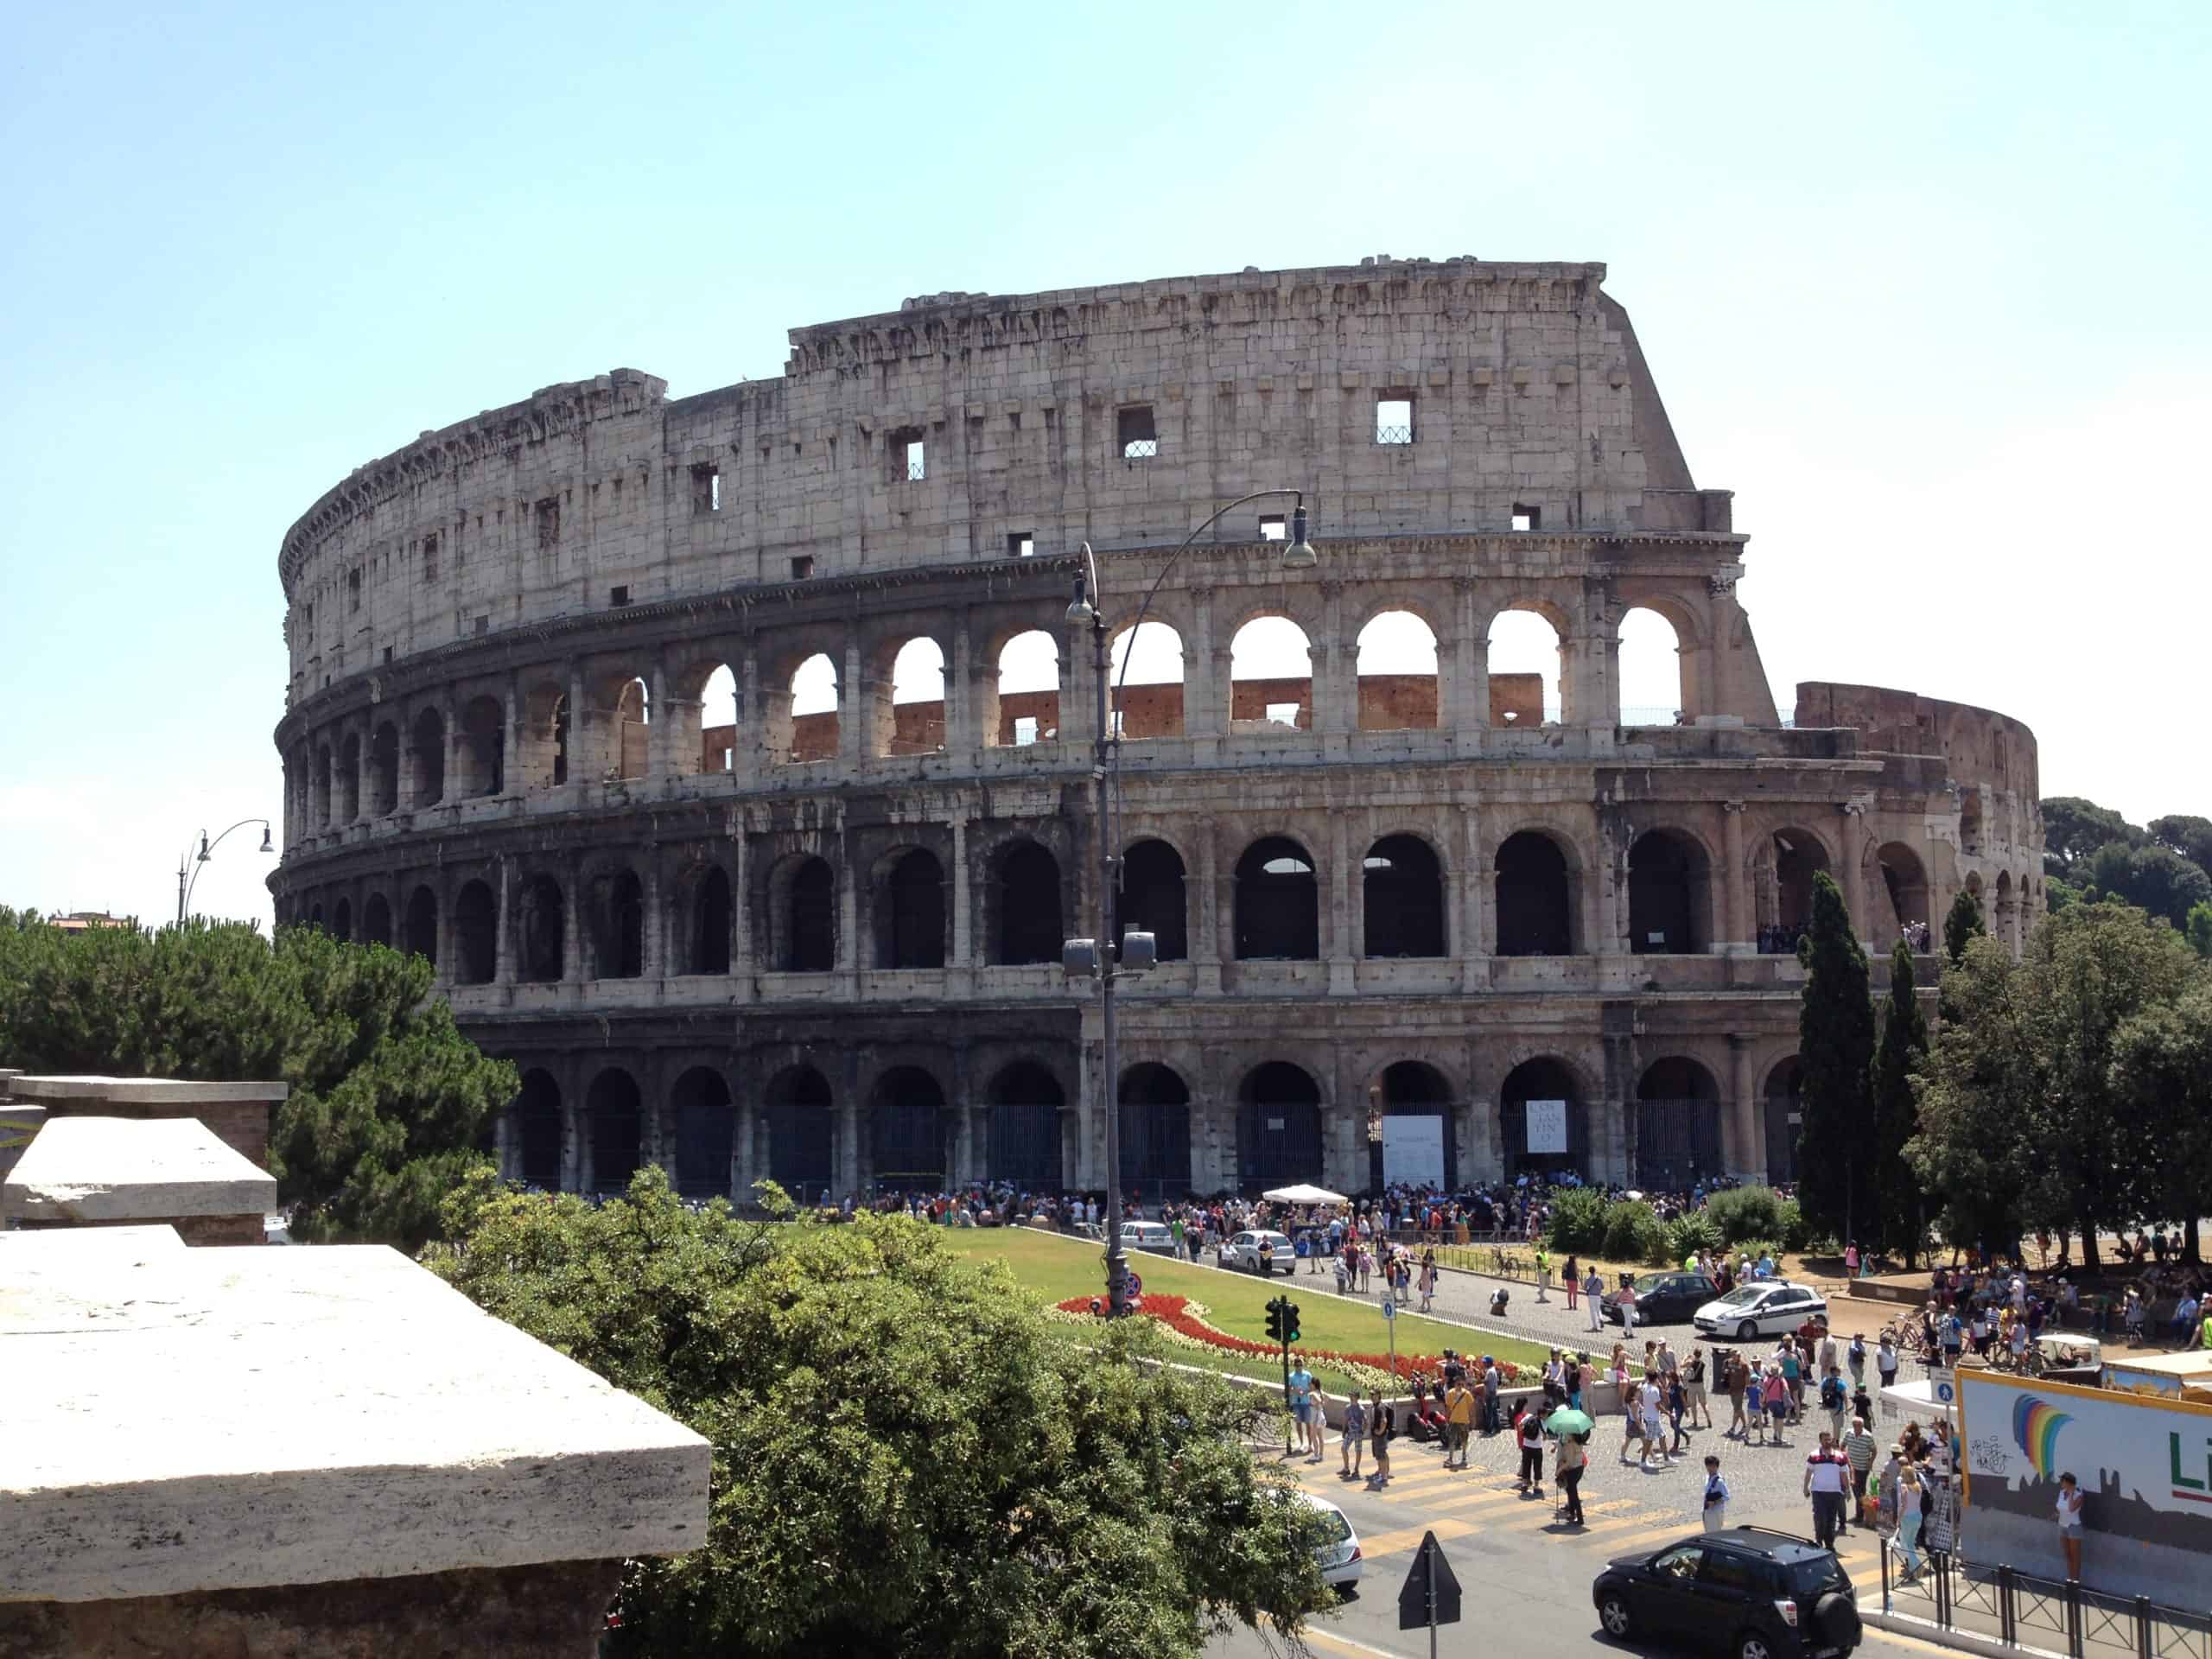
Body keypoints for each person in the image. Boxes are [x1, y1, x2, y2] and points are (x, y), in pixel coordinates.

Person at [1804, 1430, 1850, 1548]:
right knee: (1820, 1518)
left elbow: (1844, 1474)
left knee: (1831, 1519)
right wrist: (1806, 1487)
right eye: (1825, 1440)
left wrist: (1848, 1490)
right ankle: (1819, 1540)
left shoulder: (1840, 1457)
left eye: (1829, 1439)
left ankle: (1830, 1543)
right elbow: (1808, 1472)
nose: (1828, 1442)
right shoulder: (1814, 1455)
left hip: (1834, 1493)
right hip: (1818, 1492)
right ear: (1820, 1441)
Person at [1842, 1414, 1879, 1527]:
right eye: (1856, 1425)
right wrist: (1843, 1457)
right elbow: (1843, 1445)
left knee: (1859, 1490)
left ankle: (1860, 1514)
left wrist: (1870, 1462)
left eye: (1860, 1425)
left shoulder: (1868, 1436)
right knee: (1857, 1490)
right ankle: (1863, 1510)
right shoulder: (1849, 1433)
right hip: (1851, 1467)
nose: (1858, 1427)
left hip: (1863, 1468)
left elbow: (1874, 1450)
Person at [1896, 1463, 1925, 1581]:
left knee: (1905, 1545)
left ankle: (1918, 1565)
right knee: (1911, 1544)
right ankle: (1914, 1573)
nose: (1901, 1476)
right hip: (1918, 1516)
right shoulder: (1918, 1486)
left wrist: (1898, 1518)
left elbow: (1904, 1505)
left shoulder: (1904, 1487)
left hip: (1907, 1517)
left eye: (1902, 1475)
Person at [1555, 1419, 1588, 1526]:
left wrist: (1559, 1470)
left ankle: (1579, 1518)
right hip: (1579, 1469)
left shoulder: (1570, 1445)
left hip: (1572, 1470)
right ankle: (1572, 1514)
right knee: (1570, 1491)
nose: (1566, 1435)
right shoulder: (1579, 1443)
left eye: (1568, 1433)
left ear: (1572, 1435)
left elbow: (1569, 1462)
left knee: (1573, 1494)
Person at [1443, 1371, 1476, 1470]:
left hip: (1464, 1421)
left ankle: (1464, 1458)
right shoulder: (1450, 1394)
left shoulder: (1467, 1394)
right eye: (1458, 1384)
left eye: (1462, 1384)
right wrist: (1447, 1419)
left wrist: (1473, 1419)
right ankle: (1450, 1458)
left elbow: (1471, 1408)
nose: (1460, 1386)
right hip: (1453, 1421)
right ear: (1455, 1384)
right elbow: (1448, 1408)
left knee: (1464, 1440)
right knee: (1452, 1440)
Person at [2056, 1471, 2084, 1580]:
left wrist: (2072, 1494)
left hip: (2073, 1526)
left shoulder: (2079, 1495)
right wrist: (2057, 1514)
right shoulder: (2061, 1493)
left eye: (2063, 1481)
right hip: (2062, 1525)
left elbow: (2071, 1509)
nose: (2061, 1483)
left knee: (2075, 1556)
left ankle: (2075, 1582)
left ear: (2069, 1483)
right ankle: (2070, 1578)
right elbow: (2060, 1507)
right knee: (2067, 1554)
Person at [1516, 1399, 1547, 1495]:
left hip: (1526, 1446)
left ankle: (1525, 1484)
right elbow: (1545, 1437)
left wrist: (1525, 1432)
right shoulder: (1543, 1423)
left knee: (1526, 1465)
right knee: (1537, 1466)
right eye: (1546, 1414)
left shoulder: (1528, 1417)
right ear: (1542, 1414)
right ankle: (1536, 1486)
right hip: (1537, 1447)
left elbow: (1520, 1426)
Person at [1365, 1390, 1394, 1490]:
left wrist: (1380, 1431)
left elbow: (1384, 1421)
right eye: (1371, 1395)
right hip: (1376, 1435)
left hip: (1379, 1436)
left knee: (1381, 1455)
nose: (1371, 1396)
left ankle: (1383, 1477)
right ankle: (1382, 1473)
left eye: (1373, 1395)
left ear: (1378, 1395)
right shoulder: (1375, 1406)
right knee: (1380, 1454)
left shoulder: (1380, 1407)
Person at [1341, 1392, 1369, 1481]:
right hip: (1350, 1432)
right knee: (1344, 1448)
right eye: (1350, 1396)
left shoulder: (1361, 1409)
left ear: (1357, 1397)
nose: (1350, 1397)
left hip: (1357, 1433)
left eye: (1352, 1396)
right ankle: (1346, 1468)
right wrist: (1344, 1431)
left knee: (1358, 1450)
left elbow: (1366, 1421)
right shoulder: (1348, 1408)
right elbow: (1345, 1420)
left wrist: (1362, 1431)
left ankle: (1356, 1468)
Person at [1700, 1453, 1731, 1532]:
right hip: (1707, 1510)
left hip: (1716, 1512)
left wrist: (1714, 1502)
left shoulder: (1719, 1481)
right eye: (1708, 1466)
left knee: (1714, 1533)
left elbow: (1727, 1496)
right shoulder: (1707, 1478)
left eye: (1713, 1466)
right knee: (1708, 1533)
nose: (1710, 1468)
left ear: (1717, 1467)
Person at [1585, 1265, 1606, 1332]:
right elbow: (1603, 1287)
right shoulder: (1599, 1279)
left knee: (1592, 1311)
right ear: (1595, 1271)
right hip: (1598, 1296)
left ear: (1589, 1271)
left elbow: (1585, 1286)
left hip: (1591, 1296)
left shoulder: (1588, 1279)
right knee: (1598, 1309)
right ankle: (1601, 1318)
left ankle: (1595, 1326)